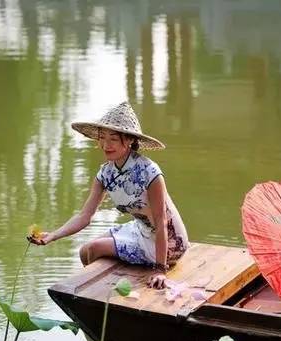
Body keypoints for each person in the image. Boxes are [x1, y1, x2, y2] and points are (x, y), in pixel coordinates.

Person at [28, 102, 189, 289]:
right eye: (102, 138)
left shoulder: (149, 172)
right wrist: (53, 236)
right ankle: (95, 296)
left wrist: (160, 270)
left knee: (93, 249)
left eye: (113, 138)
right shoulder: (105, 174)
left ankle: (99, 295)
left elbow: (161, 220)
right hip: (140, 230)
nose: (106, 145)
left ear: (129, 140)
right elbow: (84, 216)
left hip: (168, 242)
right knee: (84, 252)